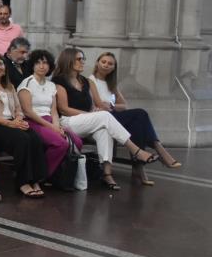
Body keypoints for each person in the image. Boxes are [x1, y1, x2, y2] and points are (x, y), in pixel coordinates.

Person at [52, 48, 155, 190]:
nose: (83, 62)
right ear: (68, 60)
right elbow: (64, 109)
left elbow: (91, 106)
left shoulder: (84, 81)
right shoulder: (59, 81)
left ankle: (107, 174)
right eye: (79, 59)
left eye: (83, 59)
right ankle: (136, 151)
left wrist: (94, 111)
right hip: (68, 121)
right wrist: (90, 115)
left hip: (85, 121)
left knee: (104, 130)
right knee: (105, 116)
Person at [89, 51, 180, 181]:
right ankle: (152, 154)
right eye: (103, 62)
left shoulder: (111, 84)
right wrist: (110, 106)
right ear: (97, 63)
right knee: (140, 114)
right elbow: (99, 104)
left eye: (110, 63)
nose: (106, 65)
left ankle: (141, 164)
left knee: (137, 124)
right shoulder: (91, 80)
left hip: (112, 114)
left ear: (114, 68)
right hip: (101, 118)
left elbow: (124, 105)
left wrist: (112, 105)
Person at [0, 53, 47, 197]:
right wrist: (10, 123)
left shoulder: (9, 86)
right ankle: (22, 182)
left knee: (35, 138)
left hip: (13, 123)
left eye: (0, 64)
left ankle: (35, 180)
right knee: (22, 139)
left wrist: (19, 120)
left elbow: (18, 109)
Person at [17, 49, 82, 180]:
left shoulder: (51, 85)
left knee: (77, 142)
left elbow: (54, 111)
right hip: (33, 122)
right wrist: (52, 127)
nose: (42, 66)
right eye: (38, 63)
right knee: (61, 144)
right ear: (32, 65)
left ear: (50, 66)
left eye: (45, 63)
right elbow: (28, 111)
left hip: (50, 121)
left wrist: (56, 126)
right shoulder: (27, 83)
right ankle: (41, 175)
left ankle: (56, 175)